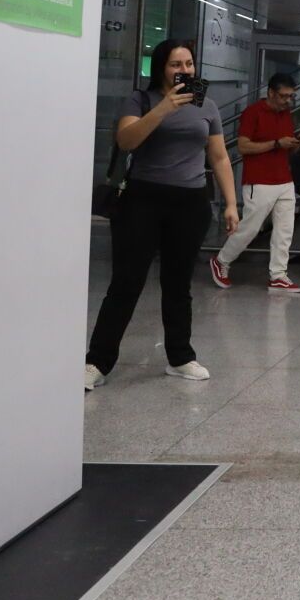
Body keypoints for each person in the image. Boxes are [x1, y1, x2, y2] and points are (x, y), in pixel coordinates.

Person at [84, 39, 239, 390]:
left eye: (189, 64)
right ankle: (97, 361)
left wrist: (231, 203)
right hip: (143, 201)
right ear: (161, 68)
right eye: (175, 64)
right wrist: (164, 108)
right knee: (126, 282)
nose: (184, 70)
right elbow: (126, 140)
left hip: (190, 203)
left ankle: (180, 357)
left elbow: (218, 157)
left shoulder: (206, 105)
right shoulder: (141, 100)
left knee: (178, 284)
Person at [211, 72, 300, 291]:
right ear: (271, 93)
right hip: (259, 180)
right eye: (283, 96)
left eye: (291, 96)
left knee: (285, 231)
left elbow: (285, 148)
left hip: (284, 179)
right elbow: (243, 146)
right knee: (250, 228)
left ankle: (278, 274)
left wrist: (294, 144)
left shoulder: (286, 114)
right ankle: (222, 260)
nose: (287, 101)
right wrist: (276, 144)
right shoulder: (253, 113)